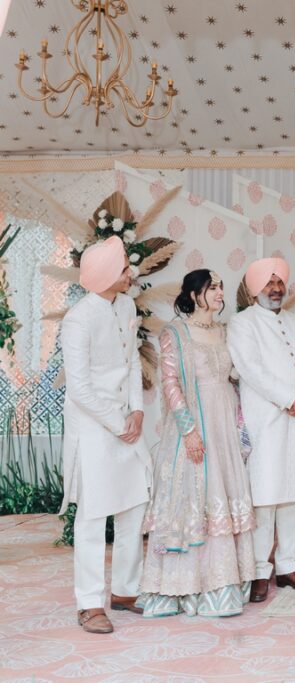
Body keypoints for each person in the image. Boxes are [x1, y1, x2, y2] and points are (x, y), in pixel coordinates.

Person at [138, 270, 257, 617]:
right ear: (194, 295)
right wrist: (189, 431)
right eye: (212, 288)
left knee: (223, 495)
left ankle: (222, 588)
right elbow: (170, 383)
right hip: (194, 425)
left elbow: (235, 377)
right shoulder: (175, 333)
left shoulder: (225, 331)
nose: (220, 293)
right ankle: (183, 590)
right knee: (194, 499)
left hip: (224, 424)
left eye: (221, 287)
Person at [59, 236, 150, 634]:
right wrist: (118, 422)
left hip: (126, 421)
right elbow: (79, 389)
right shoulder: (78, 319)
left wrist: (138, 411)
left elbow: (132, 362)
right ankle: (89, 603)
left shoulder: (126, 305)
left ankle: (126, 591)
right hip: (94, 428)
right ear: (107, 274)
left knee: (134, 505)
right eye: (125, 268)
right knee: (94, 516)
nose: (131, 272)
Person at [227, 257, 295, 602]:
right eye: (269, 283)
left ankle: (287, 566)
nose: (276, 289)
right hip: (265, 421)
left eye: (279, 283)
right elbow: (250, 369)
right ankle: (258, 571)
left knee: (294, 495)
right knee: (264, 499)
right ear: (255, 289)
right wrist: (290, 399)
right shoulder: (242, 323)